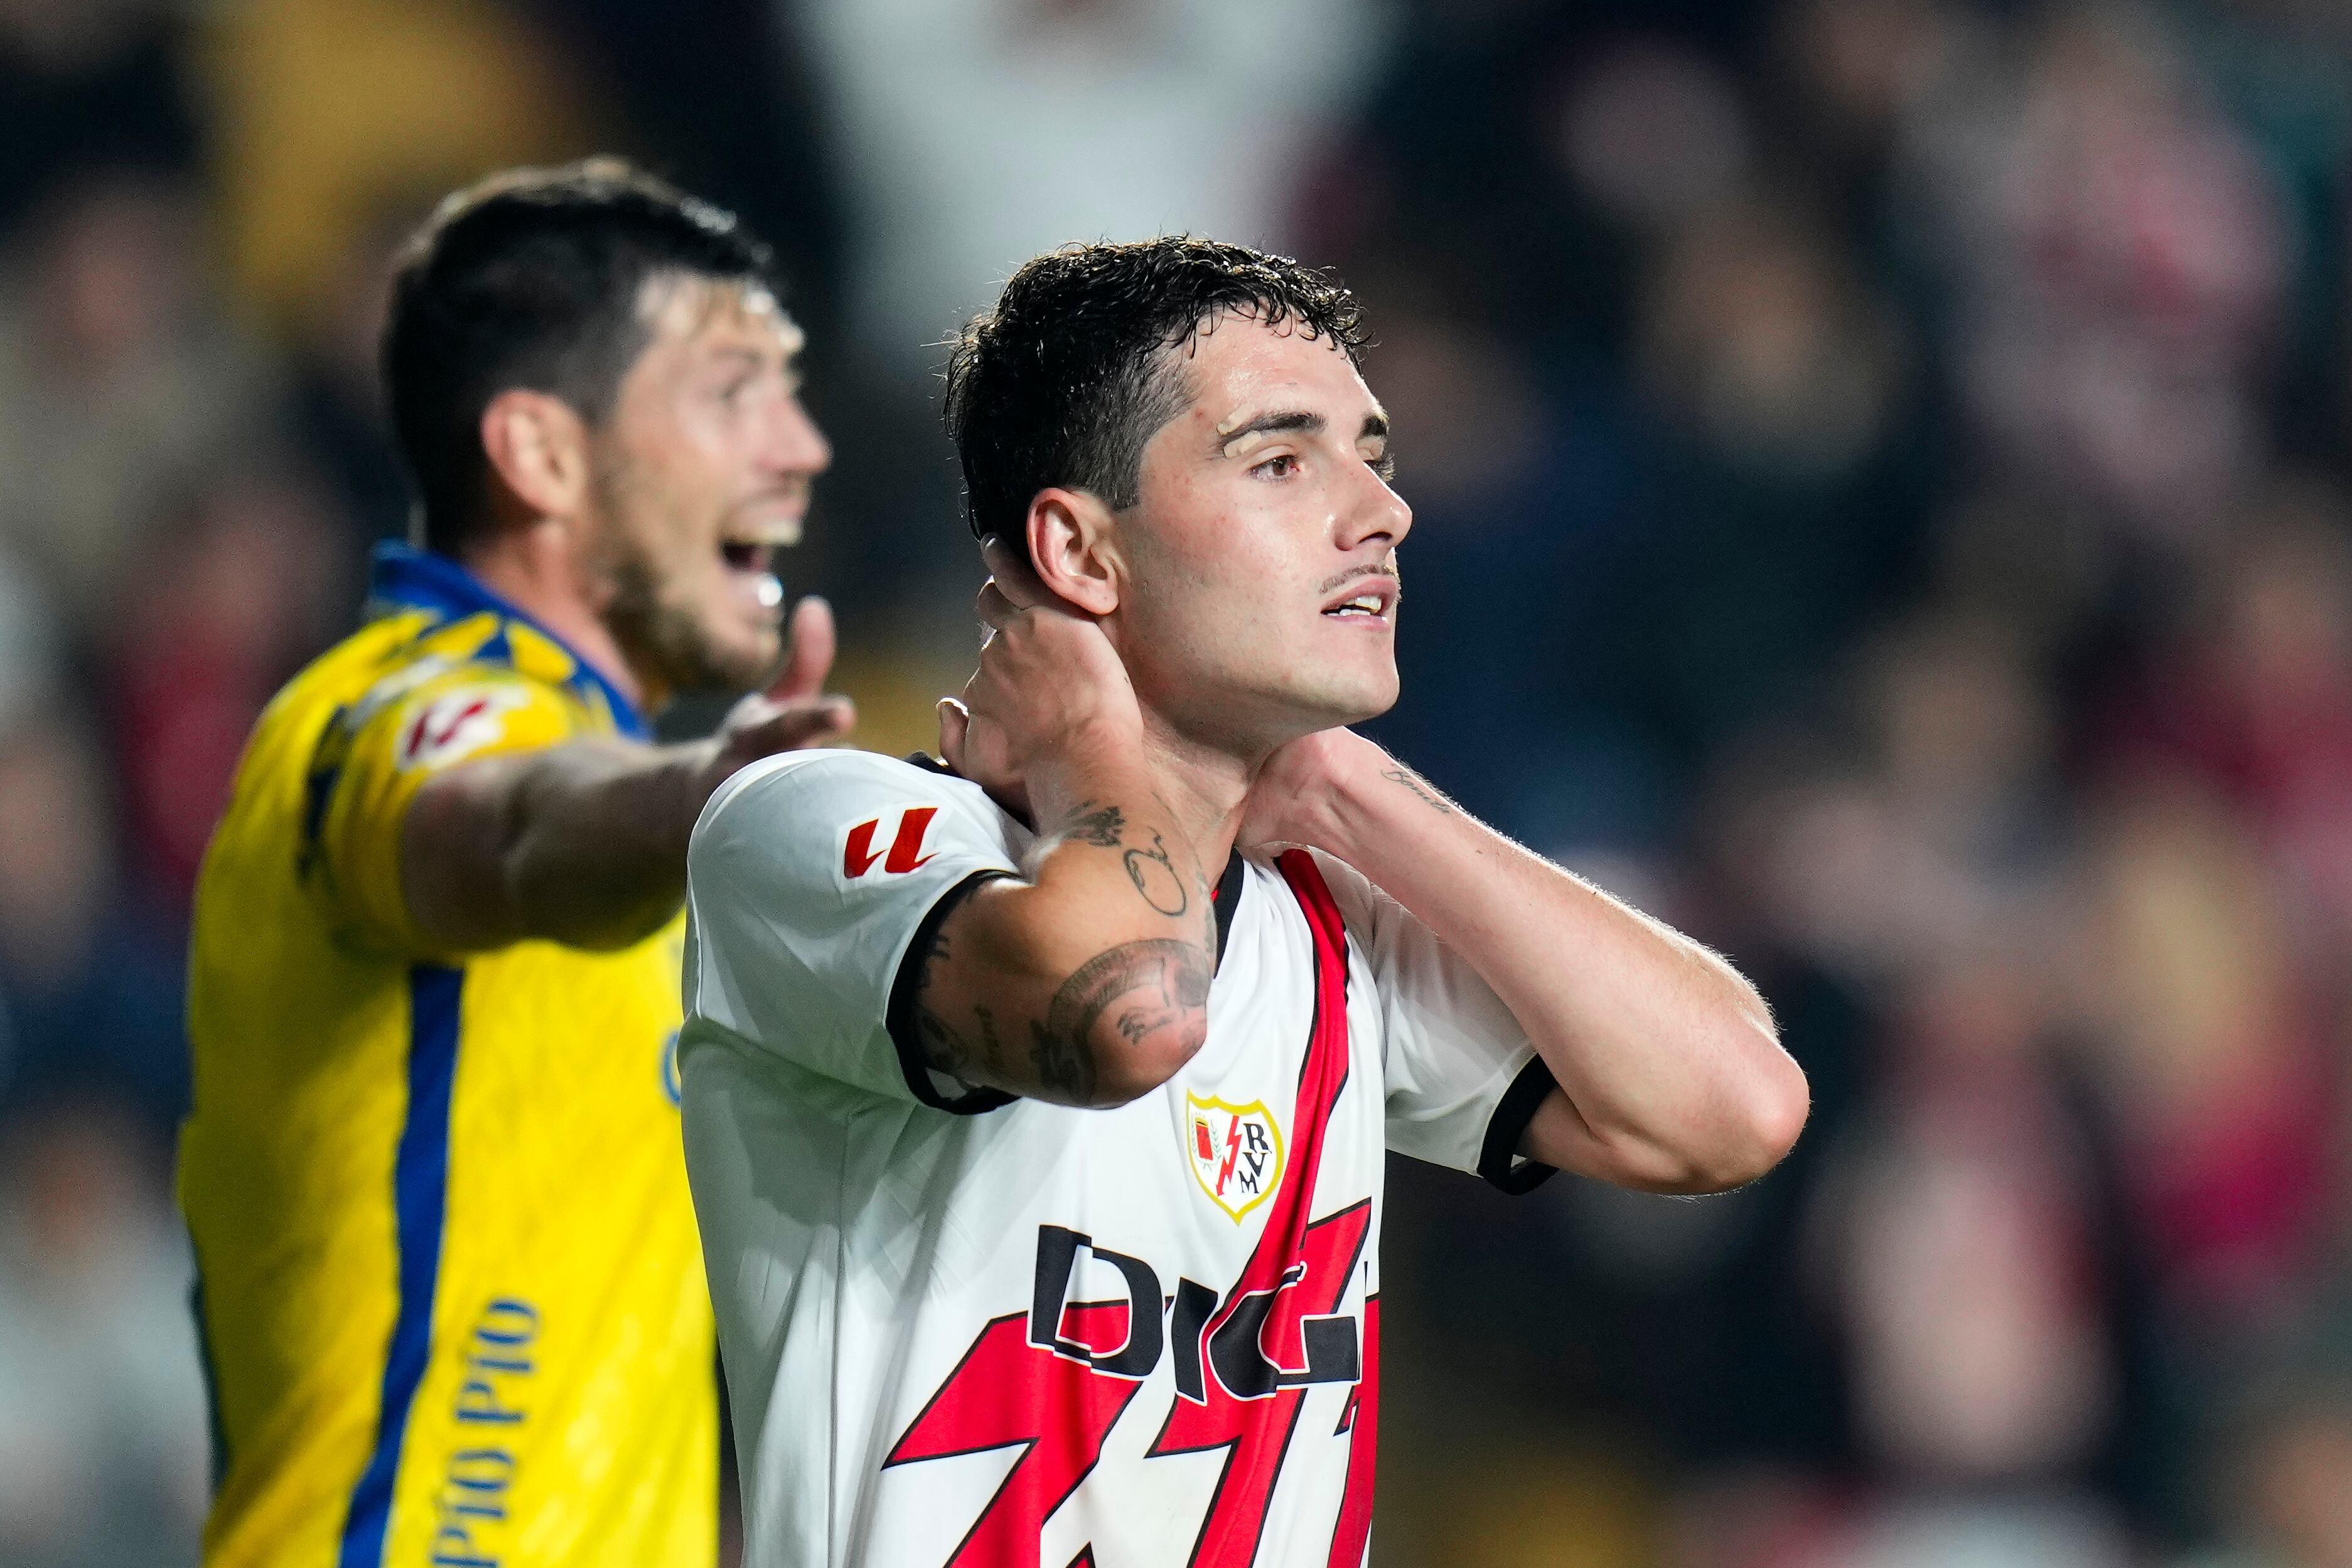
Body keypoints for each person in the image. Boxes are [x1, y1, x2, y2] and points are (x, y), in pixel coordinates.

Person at [676, 237, 1810, 1565]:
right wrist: (1093, 748)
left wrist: (1352, 791)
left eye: (1372, 458)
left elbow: (1731, 1107)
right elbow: (1127, 1016)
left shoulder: (1322, 931)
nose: (1379, 512)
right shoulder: (824, 832)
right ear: (1077, 553)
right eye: (1281, 461)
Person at [177, 159, 853, 1567]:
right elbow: (515, 823)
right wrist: (702, 798)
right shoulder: (393, 709)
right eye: (731, 392)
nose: (801, 446)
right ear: (541, 454)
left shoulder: (650, 833)